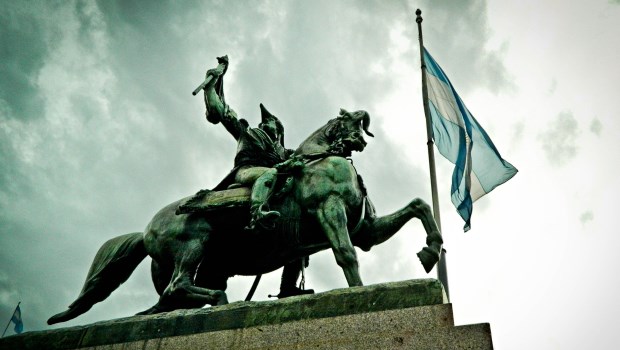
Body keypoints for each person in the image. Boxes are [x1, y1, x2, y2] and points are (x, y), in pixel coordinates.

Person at [202, 57, 313, 298]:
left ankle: (288, 287)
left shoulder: (285, 151)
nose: (265, 122)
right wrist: (213, 84)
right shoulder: (248, 132)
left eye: (270, 121)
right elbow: (222, 112)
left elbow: (305, 163)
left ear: (279, 131)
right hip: (247, 173)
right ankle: (257, 211)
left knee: (302, 226)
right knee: (271, 172)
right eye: (265, 120)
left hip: (275, 185)